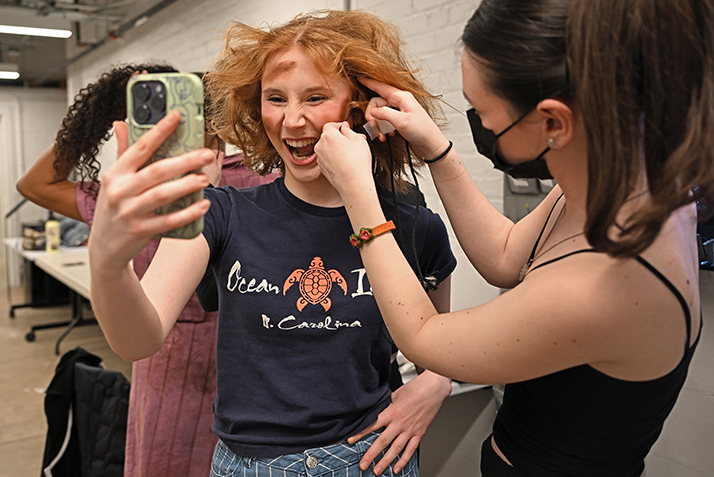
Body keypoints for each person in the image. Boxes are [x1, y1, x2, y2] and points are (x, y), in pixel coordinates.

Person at [313, 0, 712, 476]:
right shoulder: (623, 175)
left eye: (482, 112)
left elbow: (424, 338)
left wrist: (358, 194)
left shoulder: (605, 284)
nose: (478, 124)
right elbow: (505, 256)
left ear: (553, 122)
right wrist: (435, 149)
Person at [87, 10, 457, 477]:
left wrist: (436, 383)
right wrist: (108, 262)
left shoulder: (413, 227)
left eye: (316, 97)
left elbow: (441, 343)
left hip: (368, 458)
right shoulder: (221, 213)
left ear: (360, 105)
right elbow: (138, 340)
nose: (293, 120)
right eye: (275, 98)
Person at [16, 63, 277, 477]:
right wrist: (103, 112)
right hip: (165, 353)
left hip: (235, 361)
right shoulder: (136, 190)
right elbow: (34, 186)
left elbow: (38, 185)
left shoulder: (256, 177)